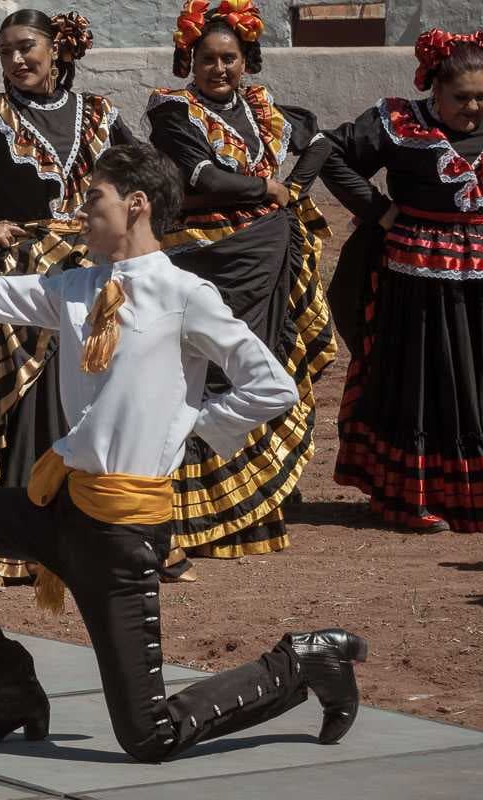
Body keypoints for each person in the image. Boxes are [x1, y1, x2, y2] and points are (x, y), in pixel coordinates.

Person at [0, 143, 366, 761]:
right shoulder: (79, 287)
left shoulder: (185, 293)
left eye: (94, 200)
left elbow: (269, 385)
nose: (81, 213)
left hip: (122, 532)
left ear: (136, 205)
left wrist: (187, 426)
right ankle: (9, 686)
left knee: (149, 735)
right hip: (55, 507)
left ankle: (303, 662)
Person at [0, 9, 136, 586]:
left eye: (26, 47)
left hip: (92, 271)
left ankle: (101, 522)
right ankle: (16, 530)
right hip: (20, 271)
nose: (16, 60)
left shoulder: (102, 114)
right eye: (5, 51)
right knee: (20, 397)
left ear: (58, 48)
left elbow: (143, 174)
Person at [145, 0, 337, 578]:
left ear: (246, 60)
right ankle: (188, 515)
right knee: (204, 374)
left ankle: (257, 504)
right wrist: (267, 189)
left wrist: (293, 189)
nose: (219, 69)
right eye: (207, 59)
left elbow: (322, 141)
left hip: (266, 251)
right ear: (190, 61)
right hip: (204, 255)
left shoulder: (263, 107)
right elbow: (202, 175)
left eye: (229, 58)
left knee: (263, 363)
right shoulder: (173, 112)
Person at [324, 29, 483, 534]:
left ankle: (478, 496)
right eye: (461, 97)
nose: (474, 107)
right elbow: (331, 154)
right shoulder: (398, 124)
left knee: (482, 379)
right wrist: (379, 210)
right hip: (415, 287)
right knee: (424, 383)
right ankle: (412, 499)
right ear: (433, 91)